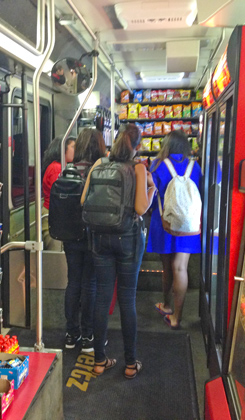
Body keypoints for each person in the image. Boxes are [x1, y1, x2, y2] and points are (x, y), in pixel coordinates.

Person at [81, 123, 156, 379]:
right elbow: (140, 209)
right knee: (127, 299)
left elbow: (84, 201)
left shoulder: (99, 164)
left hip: (99, 238)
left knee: (102, 297)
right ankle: (130, 363)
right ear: (138, 146)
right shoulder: (137, 168)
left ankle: (100, 361)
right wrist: (151, 188)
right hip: (127, 239)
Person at [148, 130, 202, 330]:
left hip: (164, 222)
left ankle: (167, 305)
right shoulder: (195, 166)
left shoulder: (157, 165)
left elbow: (151, 195)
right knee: (180, 267)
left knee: (166, 267)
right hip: (189, 223)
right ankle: (176, 318)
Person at [63, 128, 107, 352]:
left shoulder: (67, 171)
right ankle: (88, 336)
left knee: (73, 283)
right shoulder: (101, 171)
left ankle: (71, 335)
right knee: (90, 284)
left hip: (70, 235)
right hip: (92, 234)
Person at [42, 136, 75, 251]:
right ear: (62, 149)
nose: (76, 150)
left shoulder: (62, 166)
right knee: (55, 253)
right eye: (73, 147)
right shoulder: (57, 168)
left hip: (56, 214)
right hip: (54, 216)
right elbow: (61, 195)